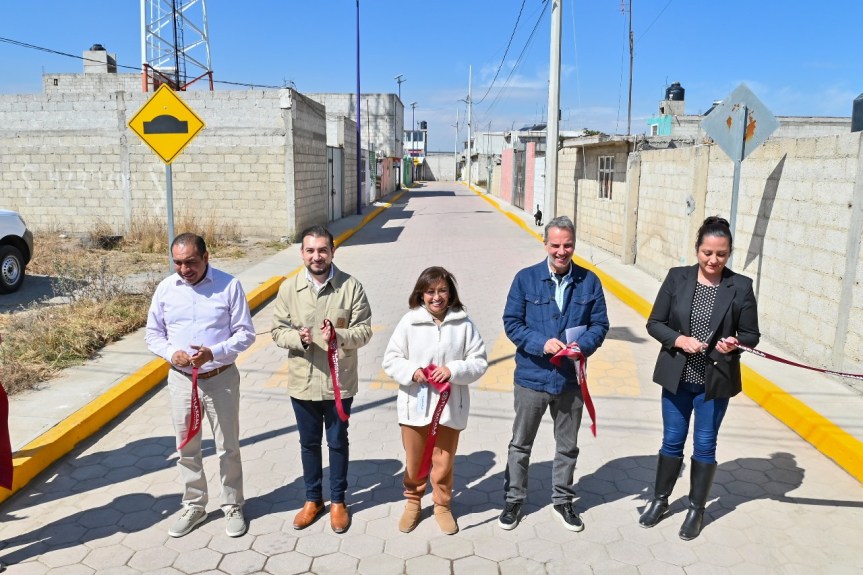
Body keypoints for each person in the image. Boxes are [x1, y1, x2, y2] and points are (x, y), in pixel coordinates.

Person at [641, 216, 760, 540]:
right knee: (672, 441)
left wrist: (734, 344)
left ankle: (696, 508)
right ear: (697, 249)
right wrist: (679, 340)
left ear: (729, 253)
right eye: (707, 252)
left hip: (714, 382)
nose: (713, 260)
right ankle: (660, 500)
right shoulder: (676, 278)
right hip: (677, 378)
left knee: (705, 445)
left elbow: (751, 335)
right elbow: (655, 323)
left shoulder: (741, 286)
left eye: (721, 254)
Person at [499, 215, 609, 532]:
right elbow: (512, 323)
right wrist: (540, 343)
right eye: (556, 245)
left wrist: (582, 347)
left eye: (568, 245)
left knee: (567, 446)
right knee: (521, 444)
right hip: (532, 377)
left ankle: (563, 500)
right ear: (545, 244)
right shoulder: (525, 279)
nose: (562, 252)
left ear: (574, 245)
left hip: (570, 380)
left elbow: (600, 325)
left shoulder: (589, 282)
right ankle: (514, 500)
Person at [145, 233, 255, 538]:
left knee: (227, 447)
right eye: (178, 262)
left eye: (191, 262)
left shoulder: (229, 286)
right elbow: (153, 334)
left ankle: (233, 504)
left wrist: (214, 353)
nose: (184, 269)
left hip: (220, 379)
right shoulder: (166, 289)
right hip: (181, 381)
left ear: (206, 257)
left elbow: (245, 334)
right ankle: (194, 504)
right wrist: (171, 353)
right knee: (187, 447)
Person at [271, 225, 372, 534]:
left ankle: (339, 501)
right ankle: (313, 499)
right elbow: (276, 330)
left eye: (322, 250)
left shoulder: (350, 287)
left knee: (338, 442)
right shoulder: (289, 289)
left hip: (339, 384)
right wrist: (297, 337)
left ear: (332, 251)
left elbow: (365, 330)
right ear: (302, 253)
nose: (317, 256)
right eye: (310, 250)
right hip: (302, 382)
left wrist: (338, 336)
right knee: (309, 443)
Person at [382, 267, 488, 535]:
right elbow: (391, 359)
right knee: (415, 459)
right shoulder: (409, 322)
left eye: (442, 291)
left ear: (450, 293)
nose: (436, 297)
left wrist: (454, 370)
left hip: (450, 407)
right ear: (421, 294)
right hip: (415, 405)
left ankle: (442, 505)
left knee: (443, 461)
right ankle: (413, 503)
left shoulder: (464, 324)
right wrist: (413, 372)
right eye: (430, 292)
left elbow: (479, 362)